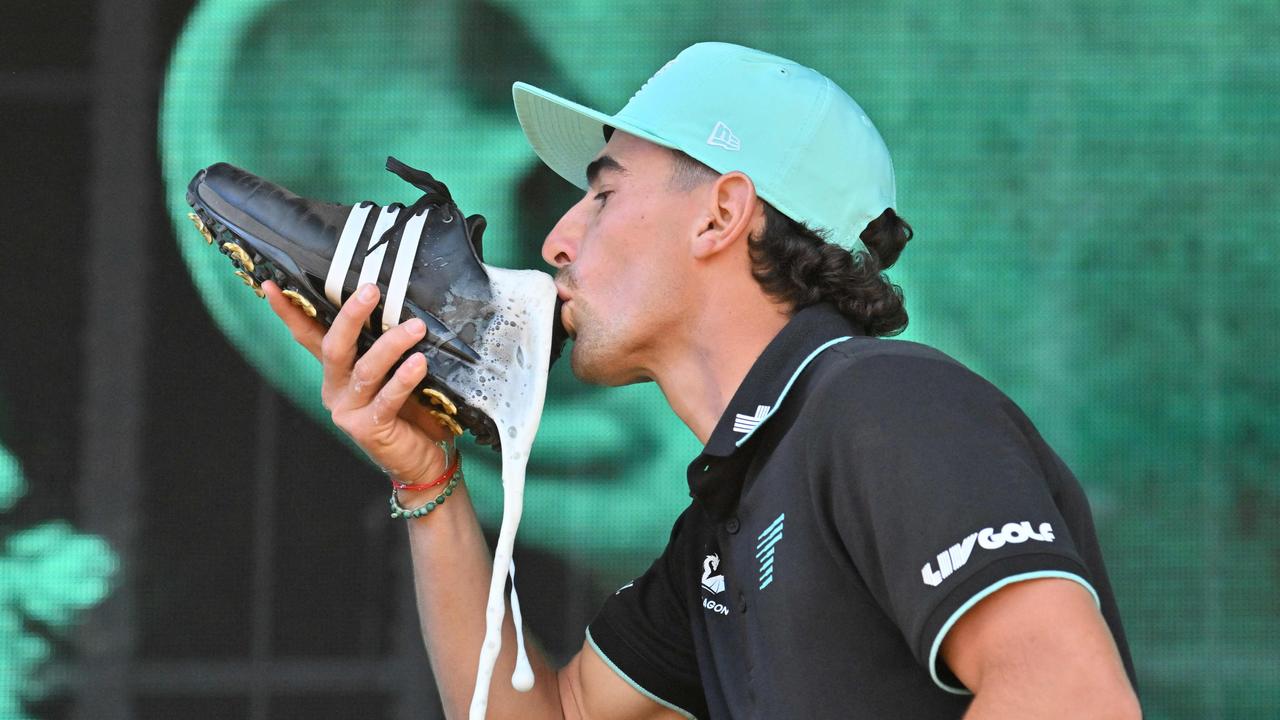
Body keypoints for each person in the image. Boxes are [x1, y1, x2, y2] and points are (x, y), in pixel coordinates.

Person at [262, 42, 1141, 719]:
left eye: (601, 195)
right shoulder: (731, 515)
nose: (558, 241)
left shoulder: (883, 403)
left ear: (722, 213)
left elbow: (1072, 699)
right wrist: (430, 479)